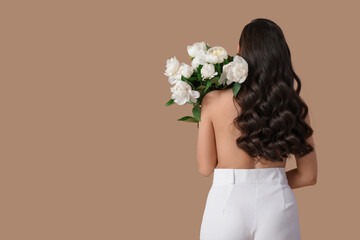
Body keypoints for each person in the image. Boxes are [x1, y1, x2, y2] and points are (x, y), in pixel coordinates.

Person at [197, 18, 318, 240]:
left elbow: (205, 168)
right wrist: (272, 180)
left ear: (240, 52)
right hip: (277, 206)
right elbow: (308, 176)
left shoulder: (212, 101)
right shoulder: (293, 105)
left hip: (227, 203)